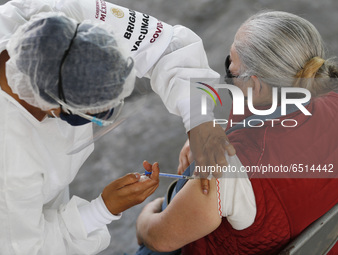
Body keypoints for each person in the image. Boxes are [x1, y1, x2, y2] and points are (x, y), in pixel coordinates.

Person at [136, 11, 338, 255]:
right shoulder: (332, 101)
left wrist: (148, 213)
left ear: (255, 84)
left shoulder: (230, 167)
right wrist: (221, 134)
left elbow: (160, 238)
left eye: (230, 65)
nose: (228, 72)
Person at [0, 0, 232, 194]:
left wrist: (199, 120)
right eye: (95, 107)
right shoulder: (10, 156)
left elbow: (168, 47)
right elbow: (26, 240)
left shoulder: (60, 19)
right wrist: (101, 212)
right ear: (52, 104)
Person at [0, 12, 161, 254]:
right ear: (53, 103)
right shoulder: (11, 161)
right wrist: (102, 209)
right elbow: (22, 247)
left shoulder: (41, 28)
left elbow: (169, 41)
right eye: (91, 111)